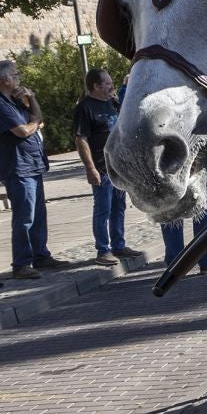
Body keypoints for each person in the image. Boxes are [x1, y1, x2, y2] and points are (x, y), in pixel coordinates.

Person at [0, 60, 65, 279]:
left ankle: (40, 255)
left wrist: (32, 99)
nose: (19, 79)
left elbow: (37, 120)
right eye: (16, 75)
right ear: (5, 79)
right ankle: (21, 263)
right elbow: (22, 131)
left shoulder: (14, 100)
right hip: (17, 166)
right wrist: (34, 124)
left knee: (38, 214)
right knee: (25, 216)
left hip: (31, 164)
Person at [73, 67, 145, 266]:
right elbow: (81, 139)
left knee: (118, 208)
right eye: (106, 83)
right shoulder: (85, 108)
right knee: (102, 209)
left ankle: (119, 245)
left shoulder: (112, 103)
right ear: (95, 86)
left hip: (118, 167)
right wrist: (90, 168)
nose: (111, 85)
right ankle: (102, 250)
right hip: (101, 168)